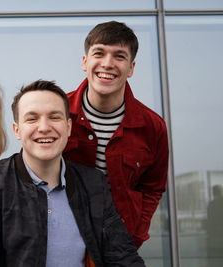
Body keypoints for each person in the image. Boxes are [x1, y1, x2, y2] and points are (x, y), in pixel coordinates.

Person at [0, 80, 145, 267]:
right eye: (32, 118)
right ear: (17, 130)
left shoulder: (94, 183)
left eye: (54, 117)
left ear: (68, 127)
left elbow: (123, 256)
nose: (44, 127)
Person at [63, 21, 169, 248]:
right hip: (62, 240)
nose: (107, 64)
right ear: (85, 62)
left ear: (131, 68)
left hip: (119, 245)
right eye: (99, 53)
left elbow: (153, 187)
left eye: (119, 56)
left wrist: (136, 232)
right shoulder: (56, 112)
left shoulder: (152, 127)